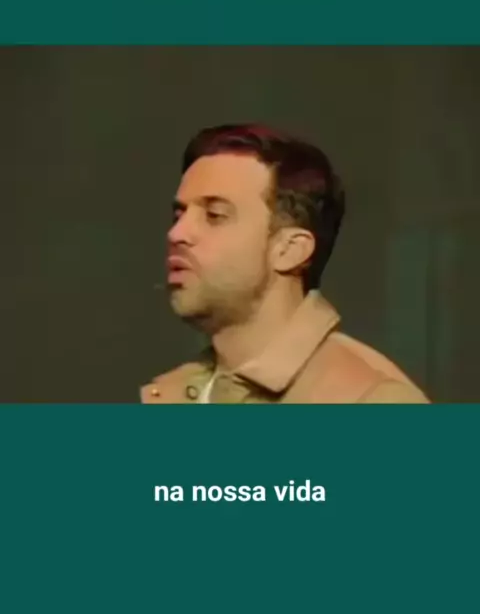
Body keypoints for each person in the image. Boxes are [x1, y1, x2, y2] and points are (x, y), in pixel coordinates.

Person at [140, 124, 429, 404]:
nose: (176, 233)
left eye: (215, 215)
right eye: (179, 215)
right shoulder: (174, 393)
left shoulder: (373, 400)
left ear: (290, 250)